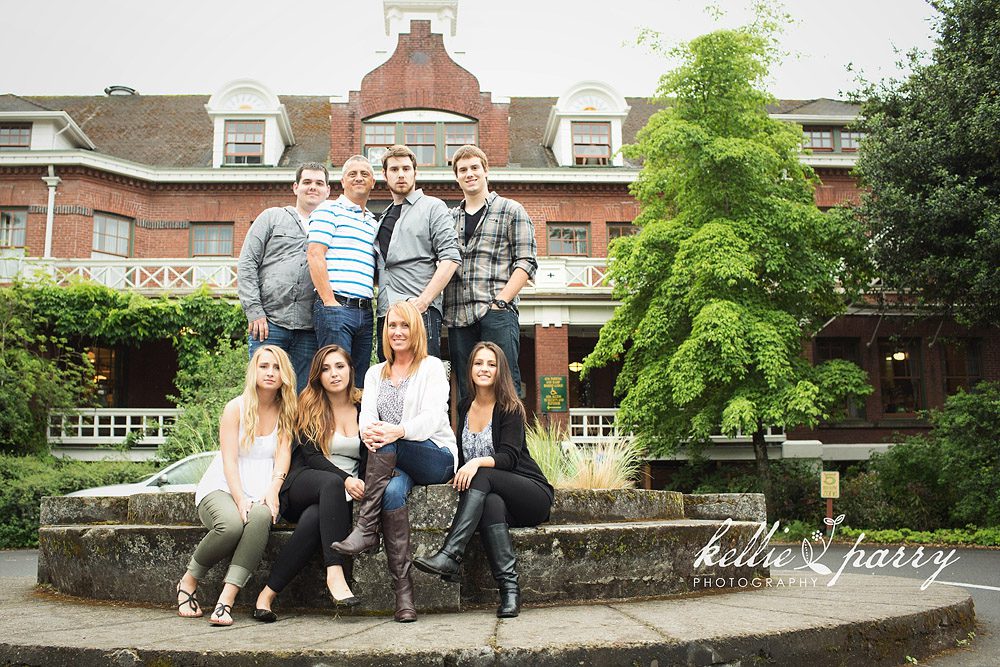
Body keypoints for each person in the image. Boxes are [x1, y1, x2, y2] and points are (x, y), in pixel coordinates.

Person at [330, 300, 457, 622]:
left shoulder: (432, 368)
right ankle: (404, 598)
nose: (397, 332)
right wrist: (372, 433)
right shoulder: (375, 373)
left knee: (388, 442)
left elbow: (431, 419)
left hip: (433, 455)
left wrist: (395, 431)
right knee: (390, 492)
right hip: (391, 459)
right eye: (392, 326)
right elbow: (367, 418)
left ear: (416, 331)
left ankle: (366, 527)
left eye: (404, 326)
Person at [413, 342, 552, 618]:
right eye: (479, 363)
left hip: (530, 493)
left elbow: (509, 458)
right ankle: (510, 592)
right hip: (498, 499)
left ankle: (451, 555)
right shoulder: (465, 406)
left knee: (483, 474)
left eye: (491, 364)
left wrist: (475, 463)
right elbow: (460, 453)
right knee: (490, 504)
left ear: (499, 370)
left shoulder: (510, 407)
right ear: (471, 368)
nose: (484, 369)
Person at [175, 345, 296, 626]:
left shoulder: (287, 409)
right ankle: (188, 580)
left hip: (262, 489)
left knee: (262, 516)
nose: (270, 372)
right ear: (254, 370)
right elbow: (229, 460)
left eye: (276, 367)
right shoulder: (236, 408)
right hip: (222, 487)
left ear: (284, 375)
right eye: (264, 366)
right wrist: (240, 498)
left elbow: (283, 455)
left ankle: (226, 600)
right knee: (230, 526)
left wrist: (273, 490)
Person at [252, 345, 367, 622]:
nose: (334, 374)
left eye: (339, 366)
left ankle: (266, 595)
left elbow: (371, 454)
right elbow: (312, 456)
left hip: (337, 497)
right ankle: (335, 572)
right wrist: (346, 479)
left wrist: (362, 481)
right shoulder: (309, 405)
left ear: (351, 370)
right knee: (329, 483)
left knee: (315, 520)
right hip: (302, 483)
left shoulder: (365, 406)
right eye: (326, 369)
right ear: (318, 376)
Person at [444, 145, 537, 400]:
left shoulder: (511, 210)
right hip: (458, 317)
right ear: (456, 176)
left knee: (504, 385)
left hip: (496, 313)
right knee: (466, 390)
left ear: (486, 171)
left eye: (475, 168)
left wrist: (500, 302)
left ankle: (509, 441)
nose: (469, 174)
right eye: (463, 170)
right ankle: (469, 441)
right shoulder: (448, 218)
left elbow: (526, 262)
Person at [238, 163, 331, 393]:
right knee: (263, 394)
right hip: (269, 324)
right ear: (295, 187)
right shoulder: (272, 218)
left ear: (328, 191)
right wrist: (254, 311)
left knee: (302, 397)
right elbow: (247, 263)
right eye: (307, 182)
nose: (313, 187)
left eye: (319, 183)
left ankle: (293, 432)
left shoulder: (331, 227)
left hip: (310, 329)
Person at [374, 145, 461, 359]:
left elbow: (451, 257)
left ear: (415, 173)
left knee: (421, 379)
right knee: (389, 380)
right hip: (386, 313)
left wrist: (424, 301)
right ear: (385, 175)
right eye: (394, 169)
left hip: (419, 310)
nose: (401, 174)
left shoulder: (433, 207)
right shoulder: (384, 216)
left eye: (406, 168)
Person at [307, 156, 378, 387]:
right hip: (336, 306)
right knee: (335, 380)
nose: (359, 178)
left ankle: (353, 425)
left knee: (358, 383)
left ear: (373, 182)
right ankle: (330, 425)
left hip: (365, 311)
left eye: (364, 174)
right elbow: (315, 254)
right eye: (352, 174)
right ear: (342, 181)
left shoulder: (373, 223)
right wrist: (329, 301)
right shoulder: (328, 210)